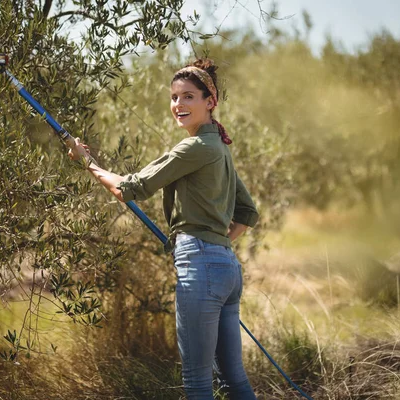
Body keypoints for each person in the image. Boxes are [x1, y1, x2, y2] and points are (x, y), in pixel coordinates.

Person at [68, 58, 259, 399]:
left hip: (203, 267)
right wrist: (215, 243)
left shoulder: (196, 146)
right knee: (234, 379)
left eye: (188, 97)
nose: (178, 105)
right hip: (226, 268)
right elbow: (247, 212)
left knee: (198, 382)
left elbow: (127, 188)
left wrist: (87, 163)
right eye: (174, 97)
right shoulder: (218, 148)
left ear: (209, 101)